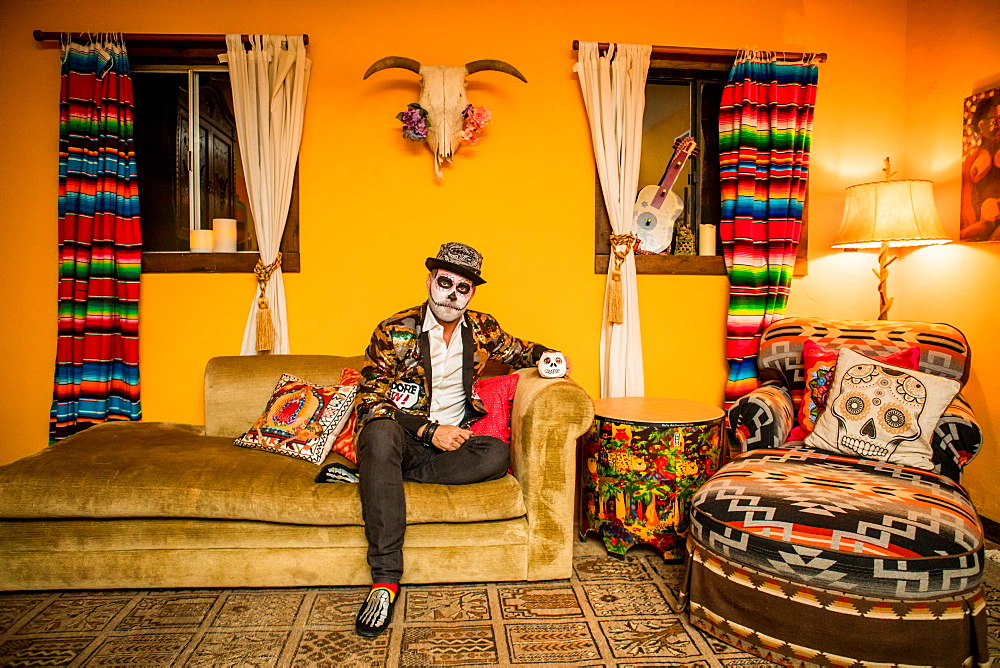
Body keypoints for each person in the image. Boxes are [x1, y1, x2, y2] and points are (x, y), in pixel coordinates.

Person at [336, 242, 564, 637]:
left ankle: (377, 480)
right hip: (404, 437)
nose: (451, 295)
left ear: (472, 293)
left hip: (450, 448)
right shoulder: (393, 331)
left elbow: (519, 350)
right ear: (430, 281)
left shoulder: (482, 327)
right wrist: (428, 430)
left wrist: (549, 356)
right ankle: (386, 580)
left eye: (463, 288)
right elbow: (370, 399)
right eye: (445, 283)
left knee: (495, 453)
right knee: (379, 433)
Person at [960, 93, 1000, 242]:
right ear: (980, 125)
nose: (997, 125)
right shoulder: (974, 160)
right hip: (983, 227)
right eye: (993, 121)